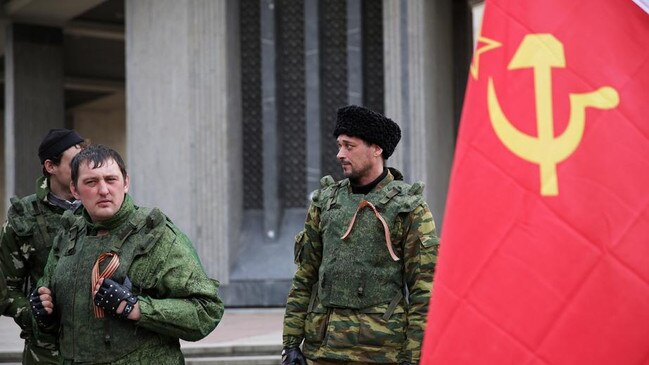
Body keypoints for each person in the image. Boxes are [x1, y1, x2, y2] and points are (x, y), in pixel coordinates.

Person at [30, 145, 224, 364]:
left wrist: (136, 308)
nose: (103, 190)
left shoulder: (156, 235)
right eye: (91, 182)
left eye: (111, 179)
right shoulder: (68, 236)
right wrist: (43, 313)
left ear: (126, 183)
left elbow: (206, 311)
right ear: (75, 190)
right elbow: (51, 315)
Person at [281, 105, 439, 365]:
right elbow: (304, 277)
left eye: (349, 146)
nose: (340, 154)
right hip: (323, 351)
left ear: (376, 149)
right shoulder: (326, 203)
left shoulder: (408, 208)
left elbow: (425, 291)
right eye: (339, 145)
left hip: (382, 352)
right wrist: (290, 344)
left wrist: (413, 357)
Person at [0, 128, 85, 364]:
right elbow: (6, 290)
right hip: (47, 354)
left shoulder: (101, 207)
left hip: (101, 350)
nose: (84, 167)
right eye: (75, 162)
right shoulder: (23, 218)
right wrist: (36, 315)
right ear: (50, 166)